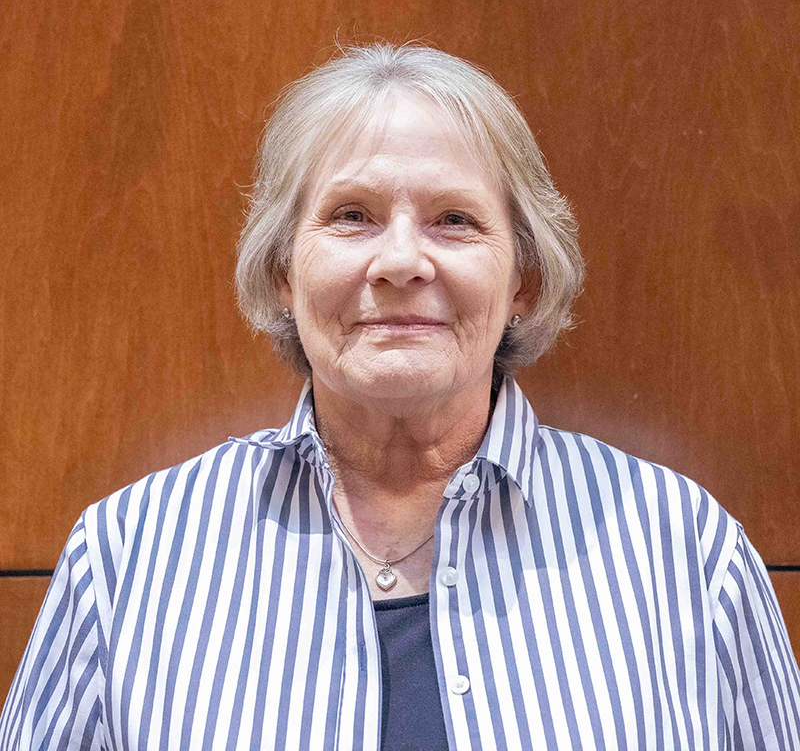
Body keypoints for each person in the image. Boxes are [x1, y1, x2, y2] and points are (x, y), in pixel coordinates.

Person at [2, 43, 798, 751]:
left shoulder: (683, 552)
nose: (401, 261)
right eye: (352, 217)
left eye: (454, 220)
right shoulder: (129, 555)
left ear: (523, 280)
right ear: (283, 273)